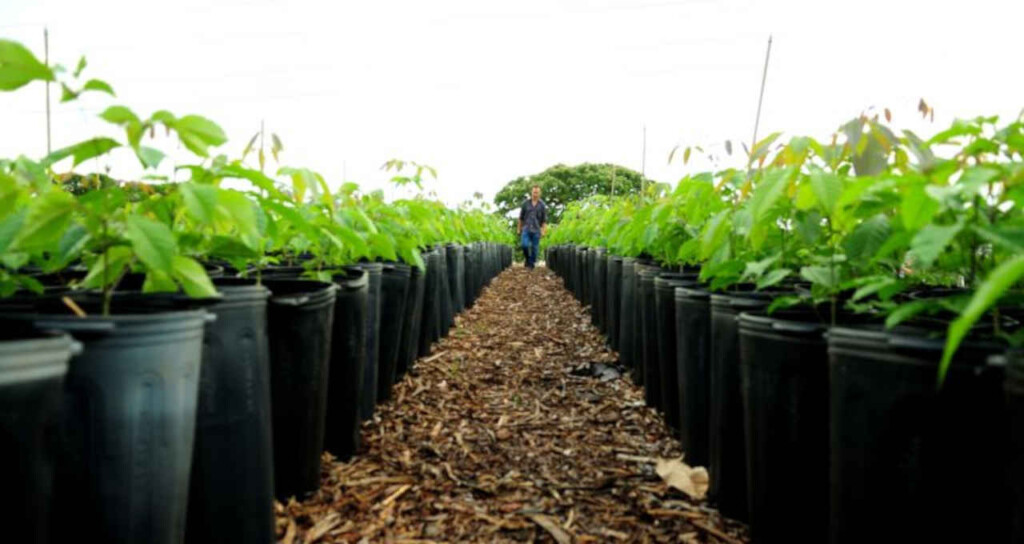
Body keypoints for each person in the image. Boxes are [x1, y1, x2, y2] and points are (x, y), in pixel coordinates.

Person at [518, 185, 547, 269]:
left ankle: (531, 263)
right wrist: (519, 229)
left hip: (536, 229)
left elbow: (544, 220)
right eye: (534, 192)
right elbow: (520, 218)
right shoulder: (525, 203)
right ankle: (528, 259)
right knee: (524, 245)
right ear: (531, 192)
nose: (535, 194)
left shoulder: (542, 205)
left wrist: (543, 231)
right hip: (526, 229)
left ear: (539, 193)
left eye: (537, 192)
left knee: (535, 248)